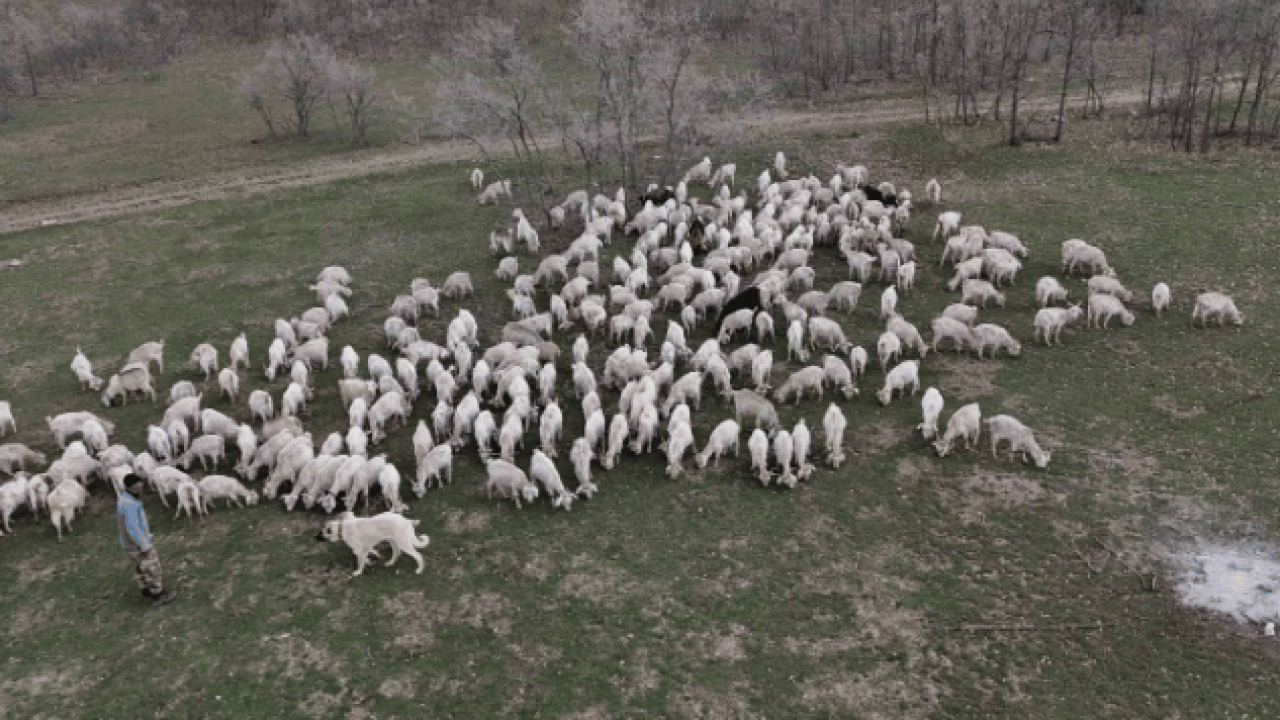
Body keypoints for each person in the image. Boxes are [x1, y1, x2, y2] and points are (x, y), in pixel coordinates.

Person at [117, 487, 177, 606]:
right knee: (150, 567)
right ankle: (158, 594)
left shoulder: (123, 501)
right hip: (138, 545)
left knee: (138, 567)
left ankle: (145, 589)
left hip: (129, 545)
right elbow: (133, 529)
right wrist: (144, 545)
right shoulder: (131, 506)